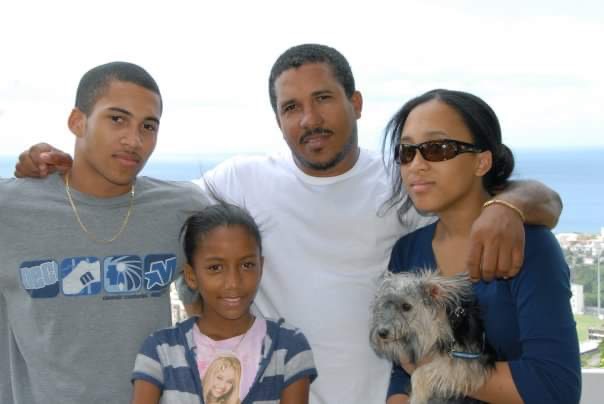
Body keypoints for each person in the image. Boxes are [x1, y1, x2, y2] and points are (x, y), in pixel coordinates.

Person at [13, 44, 563, 404]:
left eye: (323, 99)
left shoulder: (402, 182)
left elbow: (509, 194)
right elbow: (146, 205)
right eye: (291, 107)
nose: (309, 119)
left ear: (356, 103)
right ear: (277, 119)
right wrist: (47, 174)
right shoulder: (242, 182)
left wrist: (511, 205)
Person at [0, 62, 208, 403]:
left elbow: (216, 296)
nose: (134, 140)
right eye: (117, 119)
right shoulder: (10, 209)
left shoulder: (184, 208)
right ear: (77, 122)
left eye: (148, 126)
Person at [383, 89, 581, 403]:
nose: (416, 164)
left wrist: (436, 366)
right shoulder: (407, 251)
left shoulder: (529, 246)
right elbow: (402, 370)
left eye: (437, 148)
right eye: (406, 151)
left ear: (482, 161)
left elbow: (553, 386)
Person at [131, 202, 317, 403]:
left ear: (260, 267)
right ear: (191, 276)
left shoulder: (288, 347)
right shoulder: (161, 350)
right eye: (215, 268)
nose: (233, 282)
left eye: (247, 265)